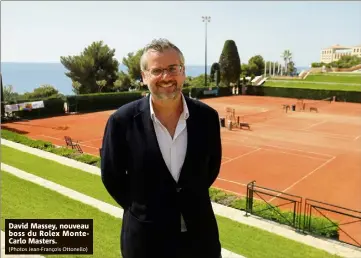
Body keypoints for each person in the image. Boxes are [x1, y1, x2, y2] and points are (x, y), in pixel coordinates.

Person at [100, 38, 222, 258]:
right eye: (157, 70)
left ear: (183, 72)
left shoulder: (207, 117)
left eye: (173, 68)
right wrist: (143, 209)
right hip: (146, 241)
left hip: (201, 239)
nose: (166, 77)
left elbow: (211, 169)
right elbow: (111, 177)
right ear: (144, 76)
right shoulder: (121, 121)